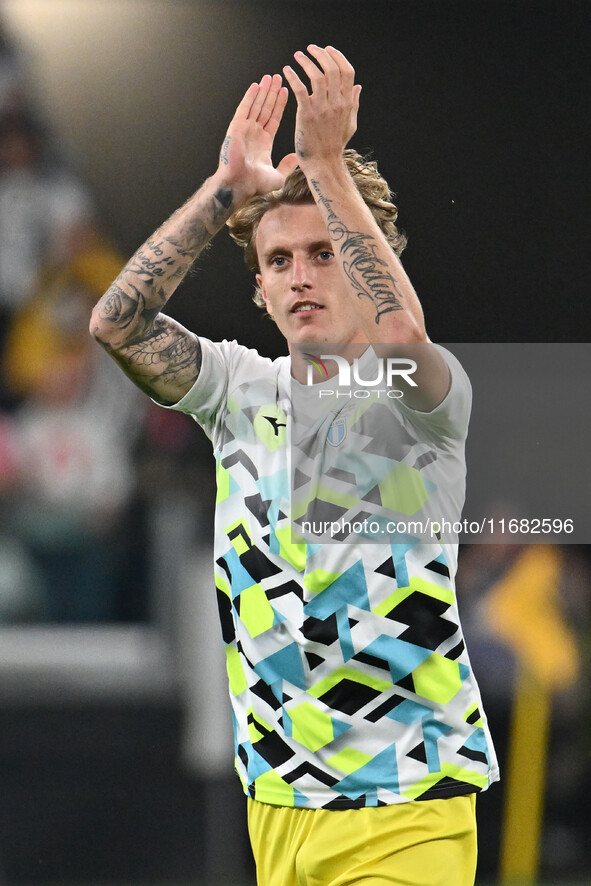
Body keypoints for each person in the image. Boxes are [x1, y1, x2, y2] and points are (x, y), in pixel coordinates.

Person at [90, 45, 498, 886]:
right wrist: (225, 196)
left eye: (324, 253)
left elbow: (400, 336)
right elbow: (117, 326)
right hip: (277, 807)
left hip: (407, 801)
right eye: (278, 261)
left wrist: (322, 165)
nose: (300, 278)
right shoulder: (238, 388)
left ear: (364, 262)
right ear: (259, 288)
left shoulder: (421, 397)